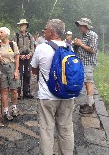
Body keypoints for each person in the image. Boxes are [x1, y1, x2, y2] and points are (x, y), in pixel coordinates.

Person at [31, 19, 74, 155]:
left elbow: (33, 69)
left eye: (45, 29)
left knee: (46, 130)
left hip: (47, 96)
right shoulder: (69, 47)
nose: (44, 31)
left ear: (51, 32)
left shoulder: (42, 47)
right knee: (66, 128)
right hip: (67, 95)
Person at [73, 18, 98, 114]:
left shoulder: (93, 35)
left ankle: (90, 107)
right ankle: (90, 102)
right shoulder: (83, 35)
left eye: (81, 26)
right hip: (83, 63)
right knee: (86, 82)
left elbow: (92, 50)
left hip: (88, 63)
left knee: (89, 82)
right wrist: (77, 44)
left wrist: (81, 44)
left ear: (86, 26)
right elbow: (81, 47)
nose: (79, 27)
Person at [0, 27, 19, 121]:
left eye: (1, 32)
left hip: (12, 68)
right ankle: (5, 110)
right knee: (4, 91)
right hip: (2, 69)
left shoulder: (13, 44)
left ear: (6, 34)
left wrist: (16, 71)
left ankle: (14, 107)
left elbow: (17, 57)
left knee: (14, 90)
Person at [13, 19, 34, 99]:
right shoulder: (16, 36)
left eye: (23, 25)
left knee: (27, 74)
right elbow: (14, 47)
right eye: (20, 25)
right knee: (19, 74)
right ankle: (17, 93)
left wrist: (30, 54)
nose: (21, 27)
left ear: (26, 26)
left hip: (28, 57)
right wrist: (18, 55)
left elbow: (32, 47)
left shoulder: (29, 36)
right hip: (19, 56)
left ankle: (26, 92)